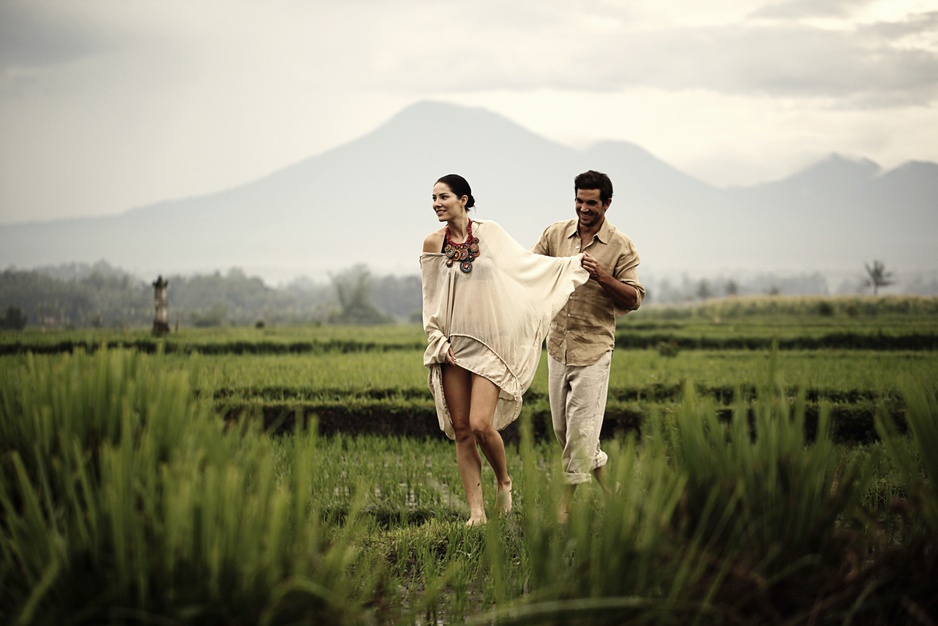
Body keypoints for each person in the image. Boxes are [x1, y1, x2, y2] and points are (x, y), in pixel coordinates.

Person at [421, 174, 589, 525]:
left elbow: (523, 267)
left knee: (482, 424)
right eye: (433, 198)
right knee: (462, 429)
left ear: (464, 199)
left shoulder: (489, 233)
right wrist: (438, 340)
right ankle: (477, 513)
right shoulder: (432, 243)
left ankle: (504, 481)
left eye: (444, 197)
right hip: (452, 345)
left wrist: (570, 265)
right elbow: (431, 298)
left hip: (490, 343)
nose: (437, 203)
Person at [531, 170, 645, 523]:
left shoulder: (620, 246)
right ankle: (613, 494)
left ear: (606, 204)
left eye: (591, 203)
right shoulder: (554, 235)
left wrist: (602, 276)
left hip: (594, 349)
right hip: (558, 345)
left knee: (580, 434)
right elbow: (531, 269)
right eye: (579, 201)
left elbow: (635, 297)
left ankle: (562, 509)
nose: (584, 208)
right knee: (564, 430)